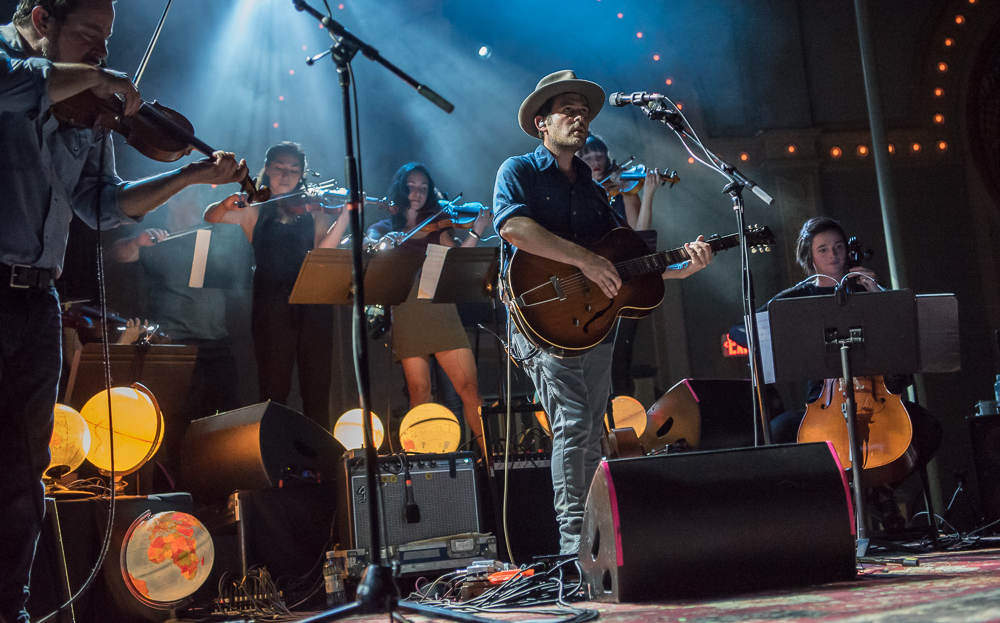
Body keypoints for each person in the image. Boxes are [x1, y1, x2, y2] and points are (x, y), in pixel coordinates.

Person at [0, 0, 249, 622]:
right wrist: (98, 79)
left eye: (109, 42)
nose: (103, 54)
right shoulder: (8, 64)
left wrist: (191, 175)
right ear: (41, 20)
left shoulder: (89, 108)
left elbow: (102, 205)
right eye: (91, 36)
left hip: (36, 299)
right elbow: (25, 85)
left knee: (25, 480)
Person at [492, 70, 713, 554]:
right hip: (539, 320)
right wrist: (585, 260)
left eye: (584, 111)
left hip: (592, 325)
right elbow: (512, 229)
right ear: (541, 122)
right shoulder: (519, 171)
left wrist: (683, 268)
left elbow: (627, 266)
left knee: (592, 428)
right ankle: (575, 547)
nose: (580, 117)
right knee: (574, 423)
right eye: (568, 109)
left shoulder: (594, 190)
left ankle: (595, 541)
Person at [765, 217, 942, 517]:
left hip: (876, 398)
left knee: (927, 428)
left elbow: (904, 337)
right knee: (779, 432)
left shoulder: (865, 290)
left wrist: (876, 294)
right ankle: (840, 499)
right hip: (825, 404)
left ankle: (884, 488)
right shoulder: (799, 298)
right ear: (810, 258)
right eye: (823, 250)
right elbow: (756, 326)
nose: (833, 255)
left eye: (838, 247)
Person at [204, 141, 350, 430]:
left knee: (317, 391)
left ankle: (320, 466)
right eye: (280, 168)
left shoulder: (313, 209)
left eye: (294, 170)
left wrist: (346, 216)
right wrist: (225, 202)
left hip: (314, 303)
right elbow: (212, 216)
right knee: (274, 391)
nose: (287, 175)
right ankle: (274, 460)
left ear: (302, 174)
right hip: (272, 305)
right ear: (268, 169)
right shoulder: (254, 208)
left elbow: (323, 251)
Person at [111, 186, 250, 484]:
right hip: (177, 347)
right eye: (191, 197)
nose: (198, 203)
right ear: (172, 202)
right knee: (179, 426)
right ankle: (184, 493)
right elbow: (119, 253)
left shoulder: (213, 235)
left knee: (227, 421)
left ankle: (224, 491)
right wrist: (138, 240)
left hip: (218, 344)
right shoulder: (156, 238)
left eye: (200, 198)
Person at [365, 162, 491, 453]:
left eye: (423, 188)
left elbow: (457, 259)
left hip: (440, 308)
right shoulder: (384, 227)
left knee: (470, 390)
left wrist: (476, 231)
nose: (417, 193)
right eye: (411, 186)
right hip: (407, 311)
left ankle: (491, 460)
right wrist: (384, 243)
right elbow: (370, 246)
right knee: (419, 393)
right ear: (401, 189)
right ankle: (421, 460)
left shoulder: (439, 221)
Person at [578, 134, 664, 399]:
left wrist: (646, 194)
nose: (595, 162)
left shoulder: (622, 190)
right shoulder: (578, 195)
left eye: (599, 156)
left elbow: (642, 238)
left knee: (619, 361)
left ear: (607, 157)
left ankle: (624, 424)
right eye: (588, 157)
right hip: (587, 284)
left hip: (624, 284)